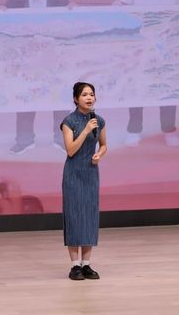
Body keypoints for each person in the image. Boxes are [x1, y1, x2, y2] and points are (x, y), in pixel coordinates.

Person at [113, 0, 179, 148]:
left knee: (167, 85)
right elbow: (125, 4)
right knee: (137, 84)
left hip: (167, 41)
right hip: (140, 42)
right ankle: (134, 130)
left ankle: (169, 130)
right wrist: (118, 5)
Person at [5, 0, 70, 154]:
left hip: (53, 59)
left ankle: (62, 139)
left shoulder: (62, 2)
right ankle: (24, 140)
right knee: (25, 97)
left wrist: (73, 11)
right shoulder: (13, 3)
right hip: (25, 60)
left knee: (59, 98)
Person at [60, 82, 107, 280]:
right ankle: (74, 265)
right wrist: (86, 130)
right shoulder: (69, 122)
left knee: (89, 216)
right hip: (73, 174)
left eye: (92, 94)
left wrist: (99, 155)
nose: (89, 98)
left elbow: (103, 145)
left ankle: (86, 264)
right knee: (74, 217)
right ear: (75, 99)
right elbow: (70, 150)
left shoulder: (99, 120)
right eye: (85, 94)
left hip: (90, 173)